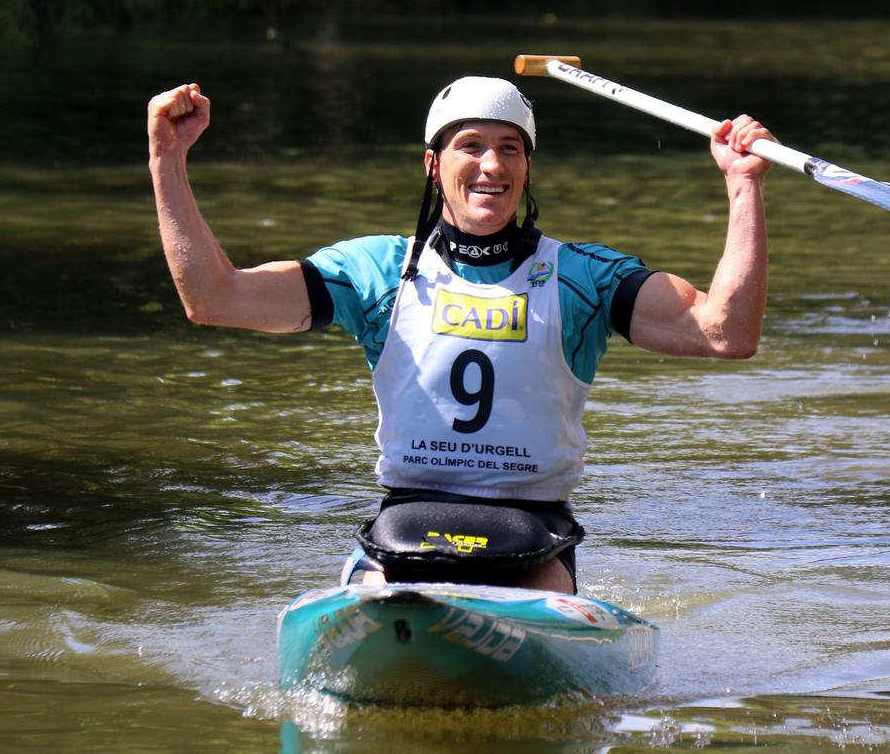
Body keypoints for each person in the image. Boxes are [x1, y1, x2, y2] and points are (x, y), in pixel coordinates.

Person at [148, 77, 775, 595]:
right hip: (405, 521)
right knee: (369, 602)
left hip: (534, 534)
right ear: (433, 163)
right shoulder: (373, 271)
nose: (491, 165)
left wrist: (743, 186)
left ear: (528, 167)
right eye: (470, 145)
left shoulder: (585, 277)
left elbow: (726, 333)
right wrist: (167, 160)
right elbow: (215, 299)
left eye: (510, 148)